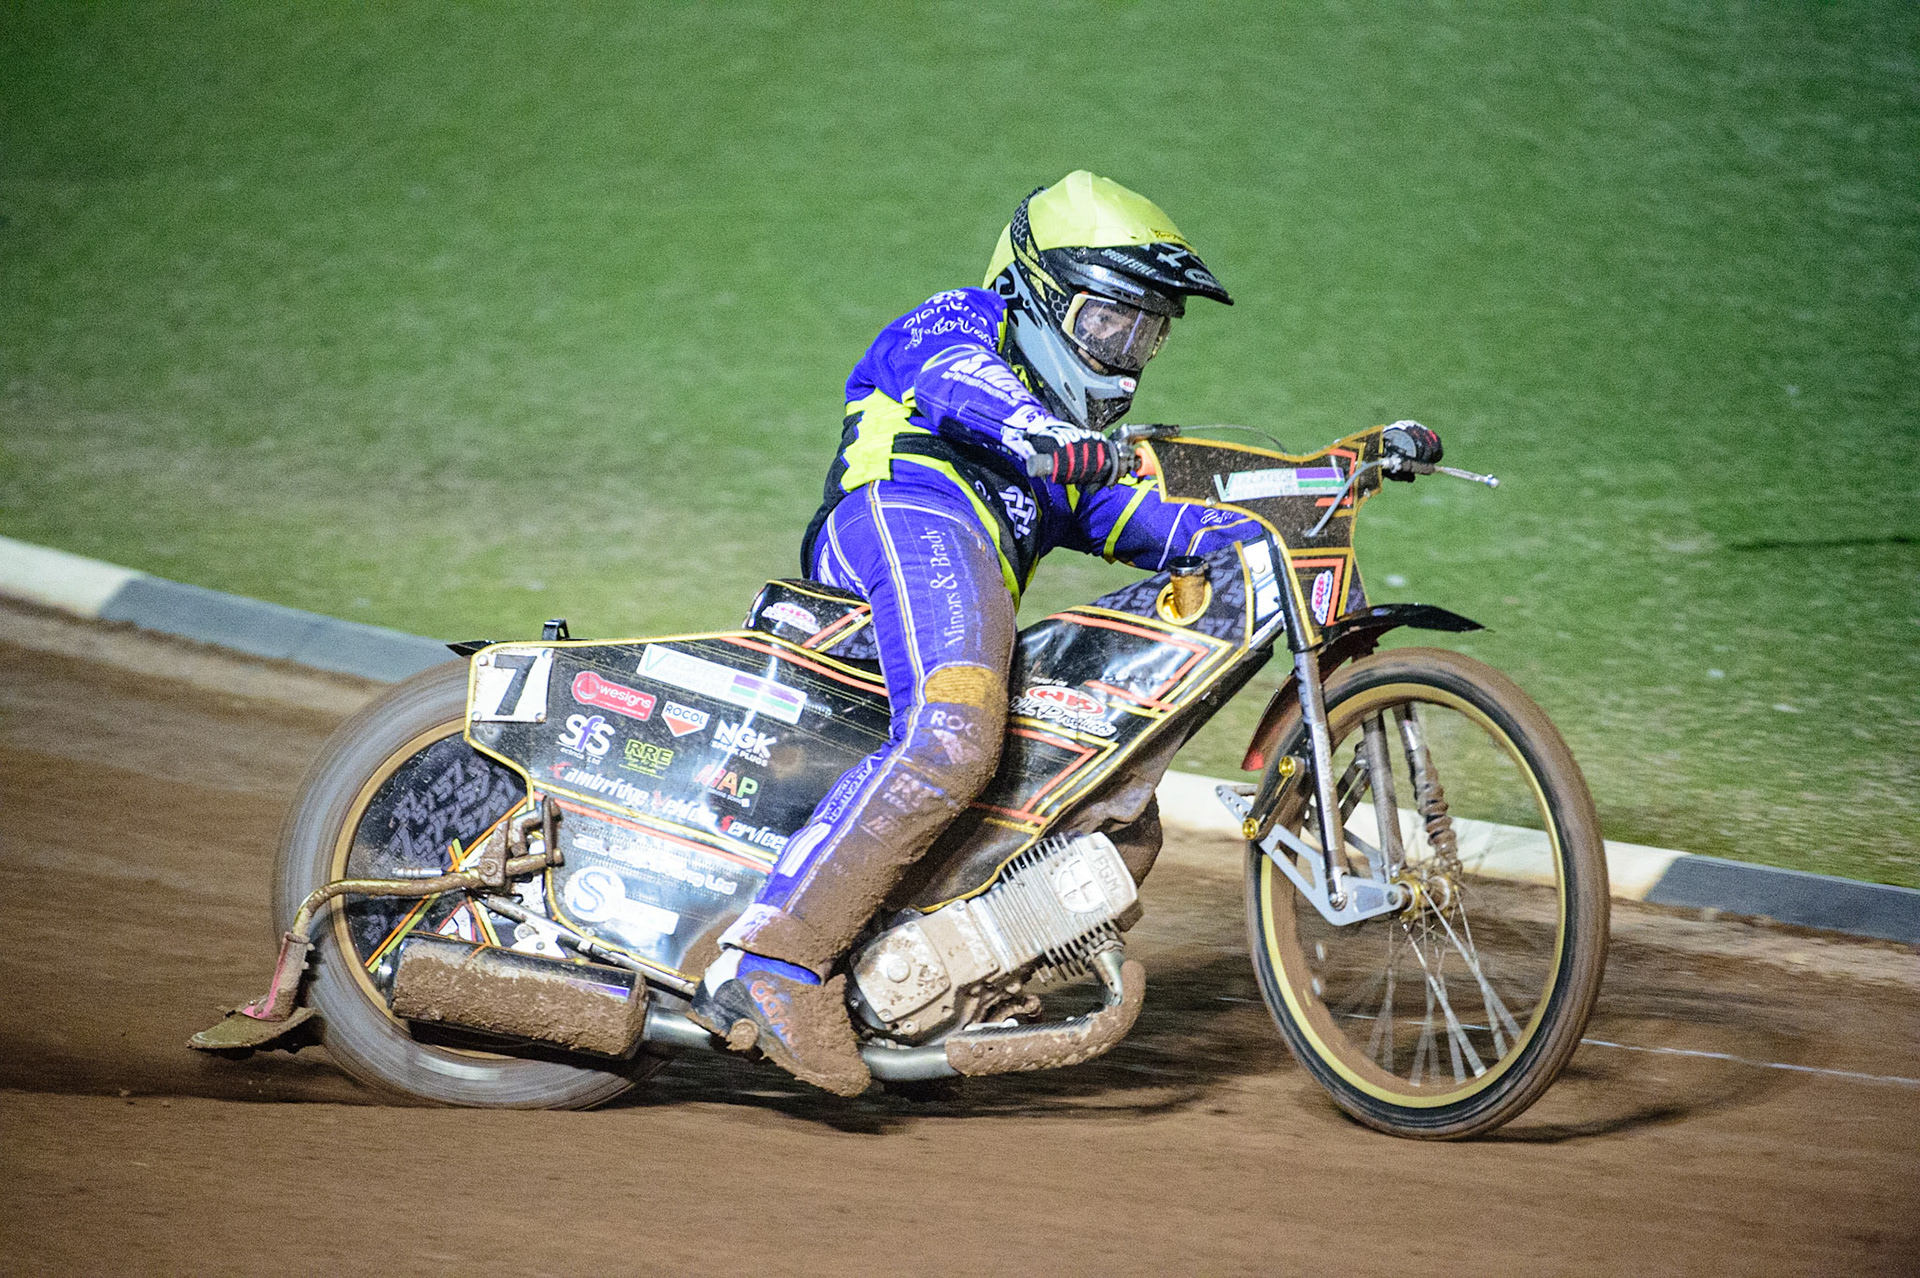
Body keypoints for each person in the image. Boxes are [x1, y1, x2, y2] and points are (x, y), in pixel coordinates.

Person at [688, 172, 1282, 1094]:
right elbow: (960, 383)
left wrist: (1297, 515)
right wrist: (1041, 434)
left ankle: (940, 971)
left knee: (1108, 802)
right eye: (1107, 323)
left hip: (962, 580)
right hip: (899, 520)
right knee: (960, 729)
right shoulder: (963, 321)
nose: (1126, 357)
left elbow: (1166, 524)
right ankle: (771, 963)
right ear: (1038, 292)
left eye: (1146, 334)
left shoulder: (1067, 468)